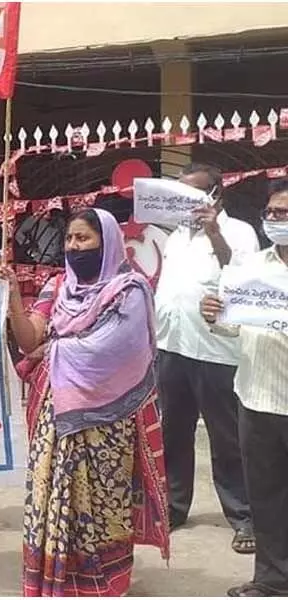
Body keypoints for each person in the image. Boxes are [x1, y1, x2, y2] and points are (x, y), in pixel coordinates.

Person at [0, 208, 169, 596]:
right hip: (55, 415)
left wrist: (52, 350)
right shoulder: (58, 287)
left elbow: (110, 351)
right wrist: (12, 301)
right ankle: (56, 577)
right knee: (51, 494)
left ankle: (104, 581)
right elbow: (29, 340)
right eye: (70, 239)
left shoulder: (129, 290)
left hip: (107, 419)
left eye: (84, 239)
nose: (74, 247)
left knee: (103, 502)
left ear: (106, 243)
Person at [155, 163, 258, 553]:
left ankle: (244, 515)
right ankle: (174, 506)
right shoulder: (176, 235)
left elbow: (241, 274)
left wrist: (214, 231)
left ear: (216, 195)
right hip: (173, 347)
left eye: (192, 194)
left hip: (216, 350)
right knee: (173, 432)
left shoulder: (239, 231)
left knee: (227, 436)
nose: (184, 202)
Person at [199, 178, 288, 597]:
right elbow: (233, 327)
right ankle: (272, 578)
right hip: (258, 397)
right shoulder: (252, 269)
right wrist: (215, 314)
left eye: (283, 213)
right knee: (267, 495)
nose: (274, 220)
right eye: (270, 213)